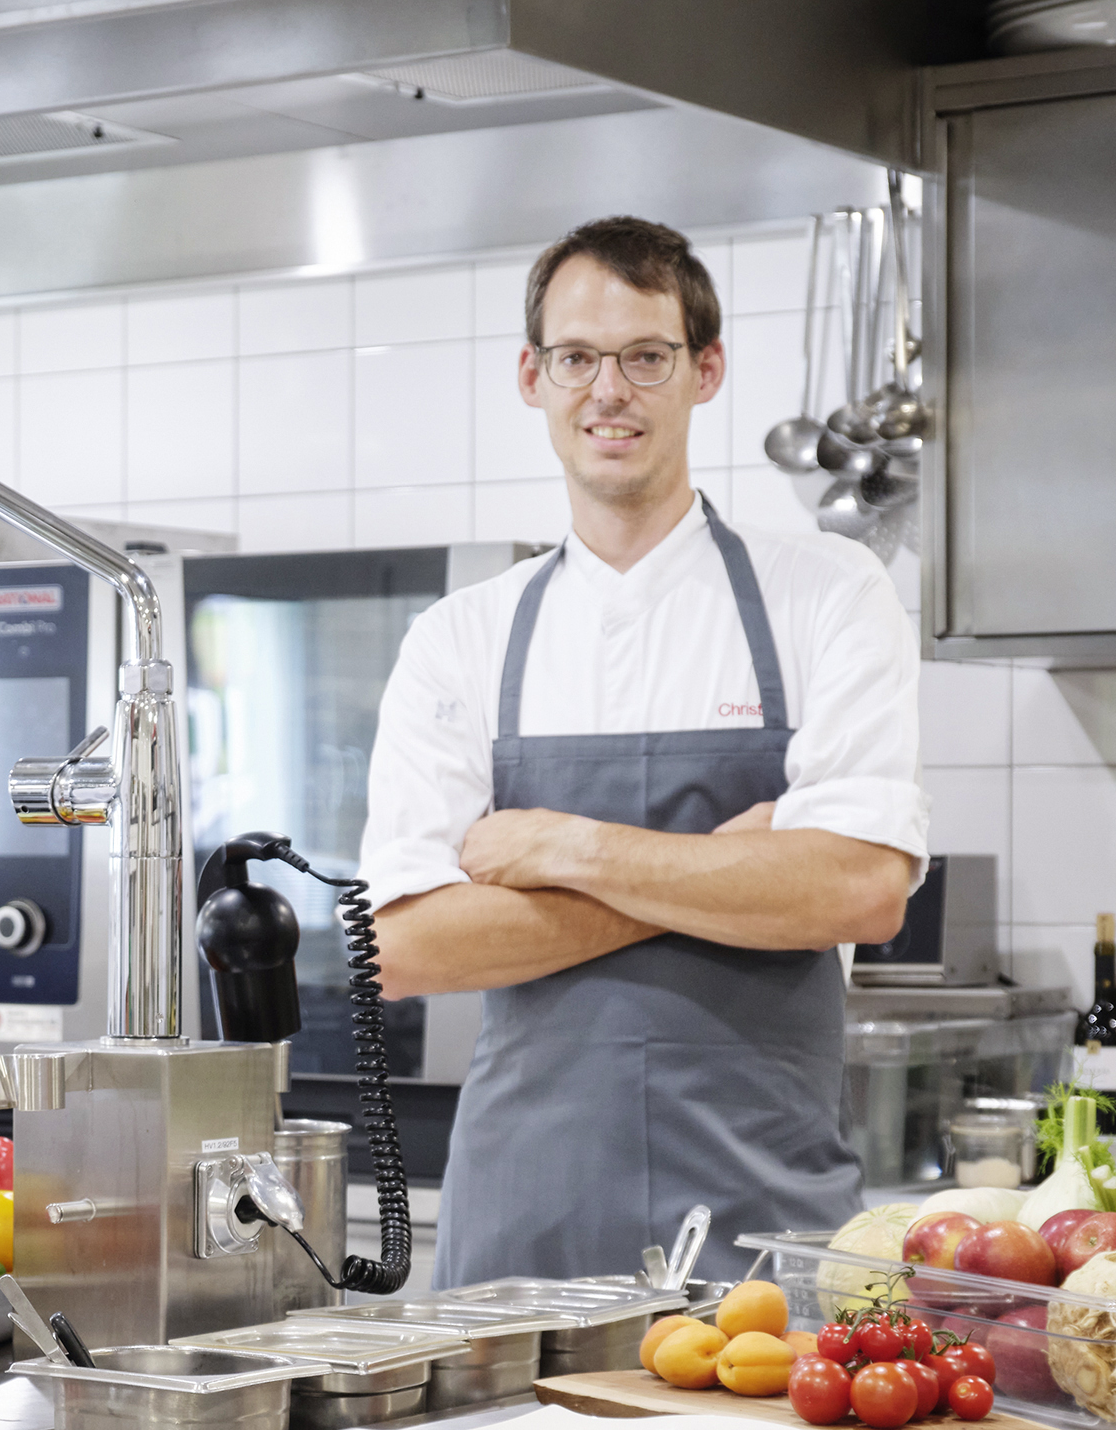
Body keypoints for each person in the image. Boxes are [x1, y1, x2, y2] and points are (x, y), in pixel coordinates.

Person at [359, 215, 923, 1286]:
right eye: (575, 357)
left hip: (764, 1236)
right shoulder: (460, 639)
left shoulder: (829, 595)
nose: (606, 389)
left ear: (704, 371)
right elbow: (408, 946)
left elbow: (857, 889)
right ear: (532, 376)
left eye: (645, 357)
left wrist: (563, 845)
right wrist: (734, 866)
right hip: (517, 1242)